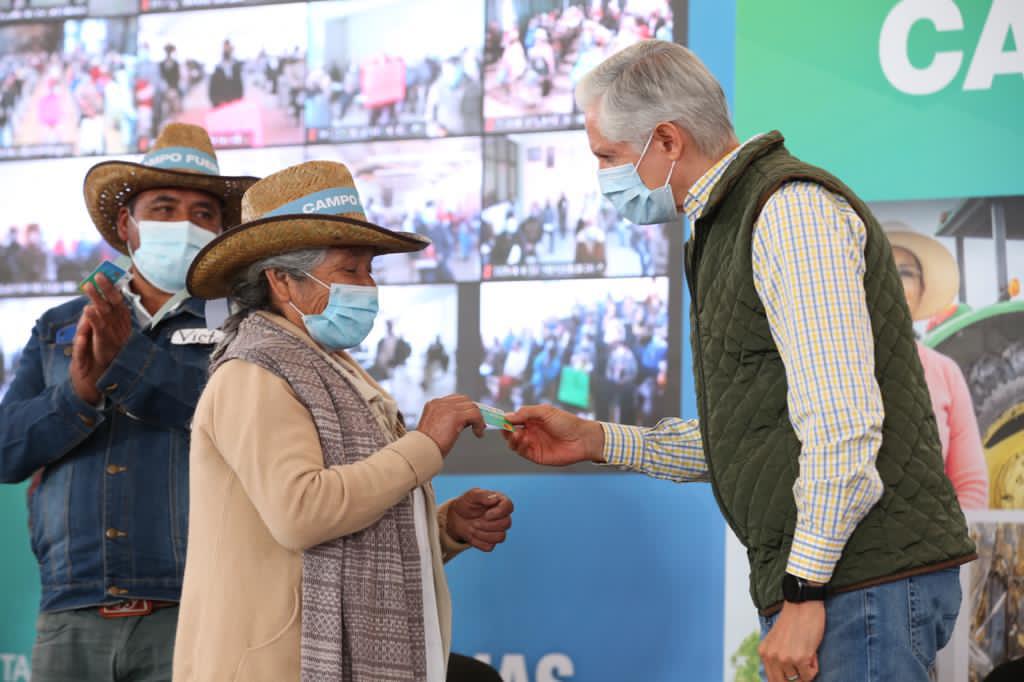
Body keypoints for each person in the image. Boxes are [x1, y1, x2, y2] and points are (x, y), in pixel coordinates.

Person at [502, 41, 974, 682]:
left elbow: (842, 426)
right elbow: (755, 434)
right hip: (841, 585)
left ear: (667, 140)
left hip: (857, 587)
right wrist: (598, 440)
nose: (604, 179)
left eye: (608, 158)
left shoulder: (787, 213)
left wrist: (804, 592)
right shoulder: (724, 225)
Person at [175, 160, 512, 682]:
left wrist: (443, 528)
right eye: (350, 270)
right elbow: (304, 512)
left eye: (369, 269)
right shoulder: (254, 372)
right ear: (282, 280)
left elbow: (350, 527)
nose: (368, 285)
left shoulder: (325, 367)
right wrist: (424, 445)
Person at [0, 123, 257, 681]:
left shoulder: (246, 326)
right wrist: (79, 394)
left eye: (202, 213)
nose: (183, 224)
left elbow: (240, 426)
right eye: (163, 208)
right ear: (127, 225)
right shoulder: (60, 326)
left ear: (218, 232)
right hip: (73, 610)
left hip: (197, 605)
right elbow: (6, 450)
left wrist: (127, 360)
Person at [885, 227, 989, 509]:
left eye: (905, 273)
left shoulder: (945, 372)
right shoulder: (834, 371)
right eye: (879, 269)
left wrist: (948, 546)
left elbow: (970, 486)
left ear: (921, 291)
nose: (892, 281)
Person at [208, 39, 243, 108]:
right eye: (225, 48)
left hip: (234, 103)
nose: (226, 49)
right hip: (221, 104)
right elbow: (212, 89)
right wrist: (217, 101)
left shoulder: (236, 66)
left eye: (228, 48)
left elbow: (240, 86)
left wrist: (238, 100)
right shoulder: (217, 68)